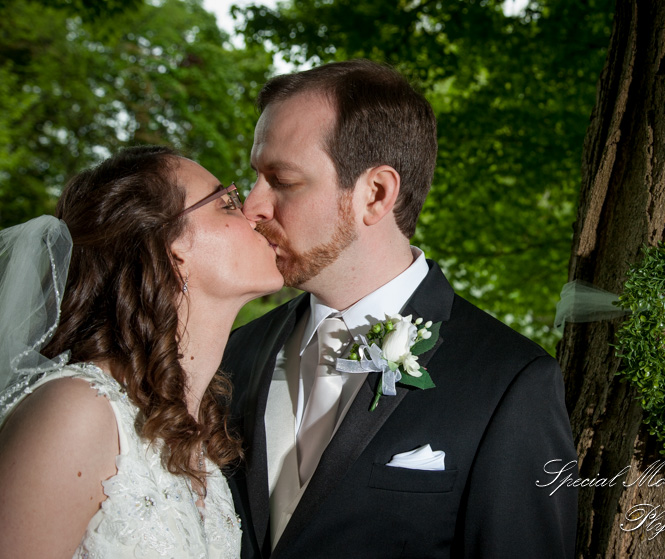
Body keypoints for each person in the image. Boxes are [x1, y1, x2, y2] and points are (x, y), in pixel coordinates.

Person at [222, 59, 578, 558]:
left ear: (375, 193)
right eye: (255, 177)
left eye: (281, 180)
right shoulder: (233, 354)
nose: (252, 206)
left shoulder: (509, 382)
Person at [0, 146, 284, 557]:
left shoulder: (194, 435)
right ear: (173, 251)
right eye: (226, 203)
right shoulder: (78, 411)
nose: (253, 213)